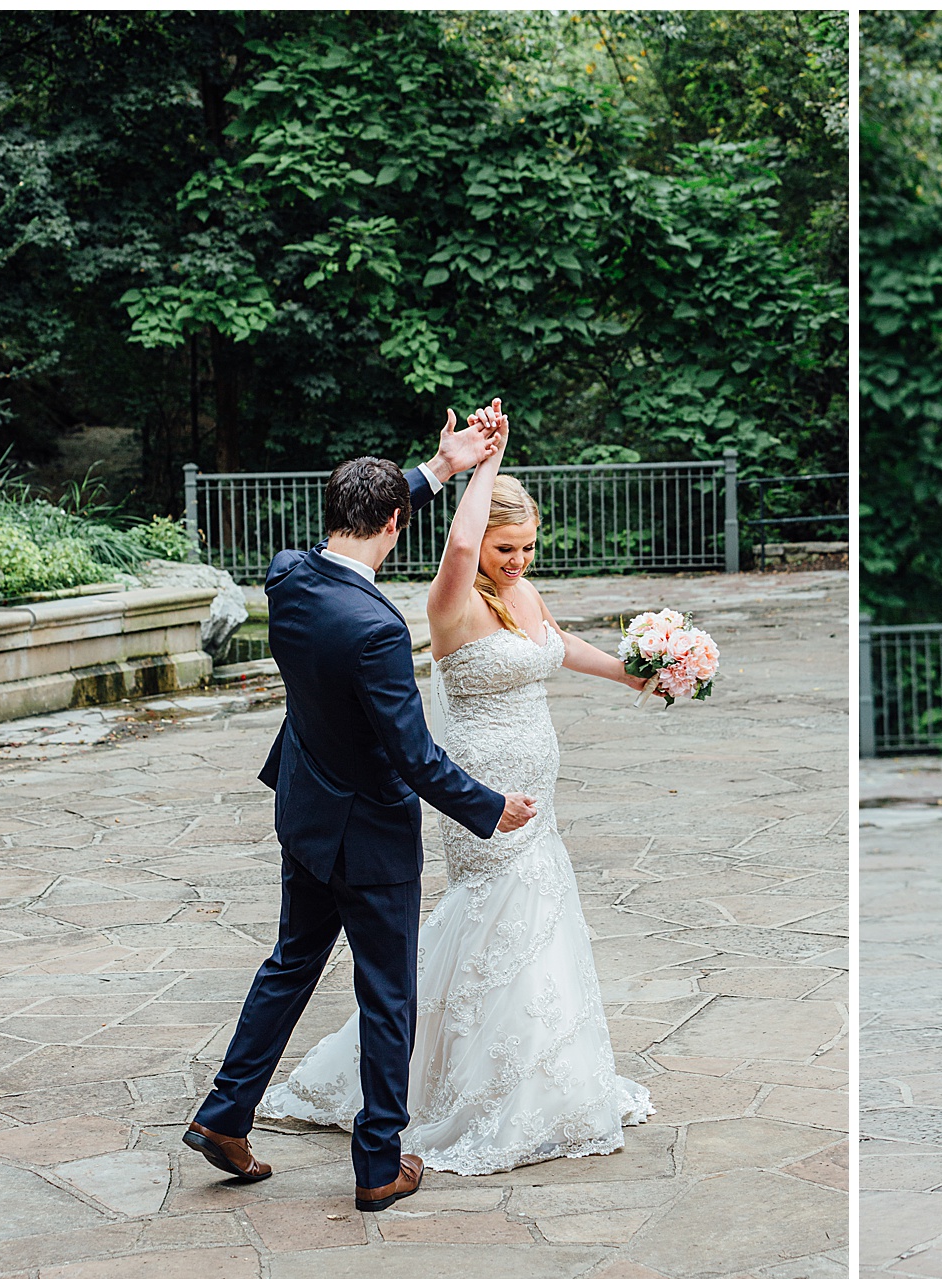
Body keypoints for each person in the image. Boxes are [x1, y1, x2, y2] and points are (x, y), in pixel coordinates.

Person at [260, 401, 656, 1174]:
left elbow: (555, 644)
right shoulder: (450, 597)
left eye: (529, 547)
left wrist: (635, 673)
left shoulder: (520, 593)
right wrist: (483, 464)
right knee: (483, 926)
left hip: (537, 797)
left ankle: (549, 1079)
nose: (517, 559)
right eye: (507, 547)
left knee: (537, 929)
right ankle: (454, 1098)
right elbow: (464, 538)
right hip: (480, 789)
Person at [186, 409, 535, 1212]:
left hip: (306, 813)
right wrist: (489, 806)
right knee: (387, 993)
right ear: (393, 525)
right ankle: (379, 1162)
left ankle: (224, 1114)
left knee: (291, 963)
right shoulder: (376, 629)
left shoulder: (287, 574)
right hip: (368, 835)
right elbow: (412, 757)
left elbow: (379, 506)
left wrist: (442, 467)